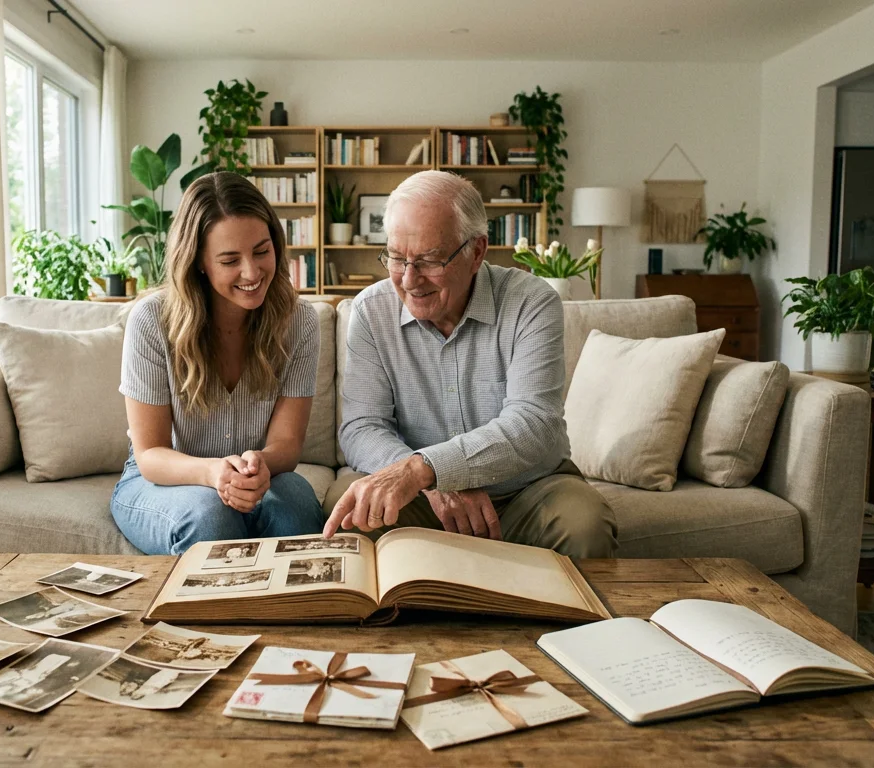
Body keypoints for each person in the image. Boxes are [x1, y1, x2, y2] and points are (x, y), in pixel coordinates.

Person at [322, 170, 617, 558]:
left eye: (429, 260)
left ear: (476, 251)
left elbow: (534, 423)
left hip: (527, 491)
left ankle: (577, 622)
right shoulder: (370, 311)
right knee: (349, 511)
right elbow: (362, 426)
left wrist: (429, 469)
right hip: (424, 500)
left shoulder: (532, 302)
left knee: (585, 524)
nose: (410, 279)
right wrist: (426, 483)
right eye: (396, 258)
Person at [111, 172, 326, 555]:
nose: (252, 272)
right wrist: (212, 473)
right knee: (211, 518)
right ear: (198, 263)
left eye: (262, 251)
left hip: (258, 475)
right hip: (168, 479)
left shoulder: (299, 322)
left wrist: (259, 463)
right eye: (230, 260)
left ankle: (297, 614)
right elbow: (150, 455)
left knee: (294, 507)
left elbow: (287, 445)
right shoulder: (151, 321)